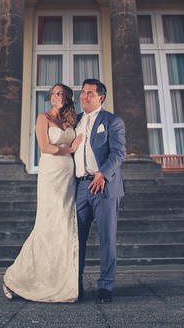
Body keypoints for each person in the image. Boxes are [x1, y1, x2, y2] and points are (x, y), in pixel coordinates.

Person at [3, 83, 85, 302]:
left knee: (64, 226)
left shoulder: (71, 120)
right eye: (53, 94)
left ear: (68, 97)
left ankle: (59, 282)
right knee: (47, 224)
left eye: (61, 94)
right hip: (51, 173)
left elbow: (79, 141)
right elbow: (44, 146)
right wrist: (71, 148)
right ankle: (14, 277)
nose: (56, 96)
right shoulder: (43, 118)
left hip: (68, 174)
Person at [73, 78, 126, 304]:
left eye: (90, 93)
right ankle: (74, 284)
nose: (84, 96)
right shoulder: (75, 121)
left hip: (103, 185)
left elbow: (118, 153)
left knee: (107, 238)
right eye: (83, 92)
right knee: (76, 240)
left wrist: (102, 174)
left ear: (101, 97)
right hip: (81, 187)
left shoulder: (112, 121)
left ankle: (105, 286)